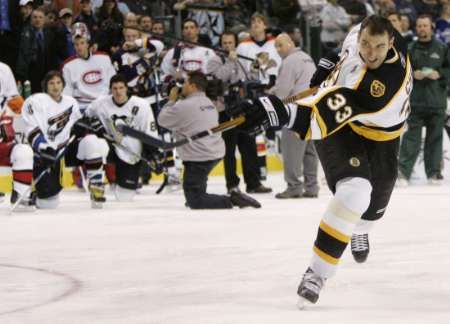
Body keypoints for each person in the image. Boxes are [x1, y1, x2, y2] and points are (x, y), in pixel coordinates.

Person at [229, 15, 412, 306]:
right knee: (355, 193)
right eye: (366, 43)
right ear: (361, 34)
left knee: (373, 211)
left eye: (378, 47)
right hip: (344, 128)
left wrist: (272, 112)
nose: (370, 53)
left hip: (383, 136)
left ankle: (359, 230)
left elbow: (315, 115)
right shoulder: (364, 35)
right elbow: (340, 55)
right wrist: (325, 69)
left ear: (391, 43)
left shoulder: (378, 87)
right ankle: (317, 273)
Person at [158, 71, 260, 209]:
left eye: (185, 83)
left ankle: (232, 199)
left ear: (193, 86)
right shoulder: (208, 102)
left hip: (198, 156)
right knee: (195, 189)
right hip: (213, 152)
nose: (182, 87)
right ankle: (200, 193)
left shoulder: (184, 105)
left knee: (195, 200)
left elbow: (162, 120)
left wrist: (171, 100)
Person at [21, 70, 108, 209]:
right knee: (48, 204)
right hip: (44, 154)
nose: (55, 86)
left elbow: (77, 126)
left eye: (58, 82)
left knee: (92, 141)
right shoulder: (35, 101)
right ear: (45, 85)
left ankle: (96, 186)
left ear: (63, 85)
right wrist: (44, 147)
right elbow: (31, 130)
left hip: (65, 150)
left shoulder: (71, 102)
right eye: (51, 83)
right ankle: (35, 194)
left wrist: (82, 128)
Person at [207, 31, 271, 195]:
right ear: (220, 44)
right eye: (225, 43)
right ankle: (232, 185)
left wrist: (259, 66)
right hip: (225, 110)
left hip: (243, 108)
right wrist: (229, 61)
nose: (227, 46)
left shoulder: (240, 59)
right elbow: (218, 79)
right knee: (229, 149)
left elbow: (250, 78)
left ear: (235, 44)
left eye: (230, 43)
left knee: (249, 146)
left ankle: (253, 182)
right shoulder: (215, 60)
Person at [83, 74, 163, 201]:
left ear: (127, 88)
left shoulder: (142, 105)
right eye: (115, 88)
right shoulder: (100, 104)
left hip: (130, 151)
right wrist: (92, 125)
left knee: (125, 197)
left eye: (121, 88)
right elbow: (83, 119)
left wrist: (154, 155)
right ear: (110, 89)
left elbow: (149, 133)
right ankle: (96, 182)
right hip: (108, 146)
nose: (118, 92)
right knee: (93, 143)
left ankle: (122, 181)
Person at [398, 14, 450, 185]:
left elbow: (448, 71)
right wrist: (412, 74)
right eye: (419, 26)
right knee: (410, 140)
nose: (422, 29)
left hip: (437, 102)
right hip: (416, 102)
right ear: (416, 28)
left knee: (435, 140)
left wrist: (440, 74)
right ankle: (403, 174)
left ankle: (434, 174)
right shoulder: (410, 48)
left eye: (425, 26)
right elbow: (401, 72)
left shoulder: (442, 48)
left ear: (431, 27)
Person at [268, 33, 319, 199]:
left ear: (290, 43)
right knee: (309, 150)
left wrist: (269, 93)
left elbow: (283, 91)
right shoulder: (307, 57)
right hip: (312, 108)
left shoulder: (289, 61)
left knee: (291, 150)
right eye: (276, 46)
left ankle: (294, 186)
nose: (278, 49)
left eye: (280, 45)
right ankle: (312, 186)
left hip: (295, 111)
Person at [0, 61, 34, 211]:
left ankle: (21, 196)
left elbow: (14, 99)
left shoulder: (3, 69)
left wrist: (27, 109)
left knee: (23, 151)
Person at [62, 22, 116, 112]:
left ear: (88, 43)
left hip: (105, 105)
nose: (79, 47)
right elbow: (67, 92)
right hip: (83, 108)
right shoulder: (68, 65)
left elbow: (113, 81)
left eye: (82, 43)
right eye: (76, 44)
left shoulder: (104, 58)